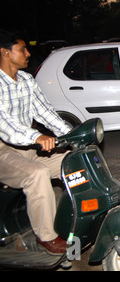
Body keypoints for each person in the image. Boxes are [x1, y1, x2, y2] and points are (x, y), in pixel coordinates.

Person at [0, 33, 71, 254]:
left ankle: (79, 218)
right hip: (3, 150)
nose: (28, 53)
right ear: (5, 52)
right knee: (37, 174)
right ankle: (46, 237)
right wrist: (36, 137)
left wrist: (71, 135)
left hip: (27, 147)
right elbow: (4, 123)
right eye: (22, 49)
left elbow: (45, 112)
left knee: (72, 162)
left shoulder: (27, 80)